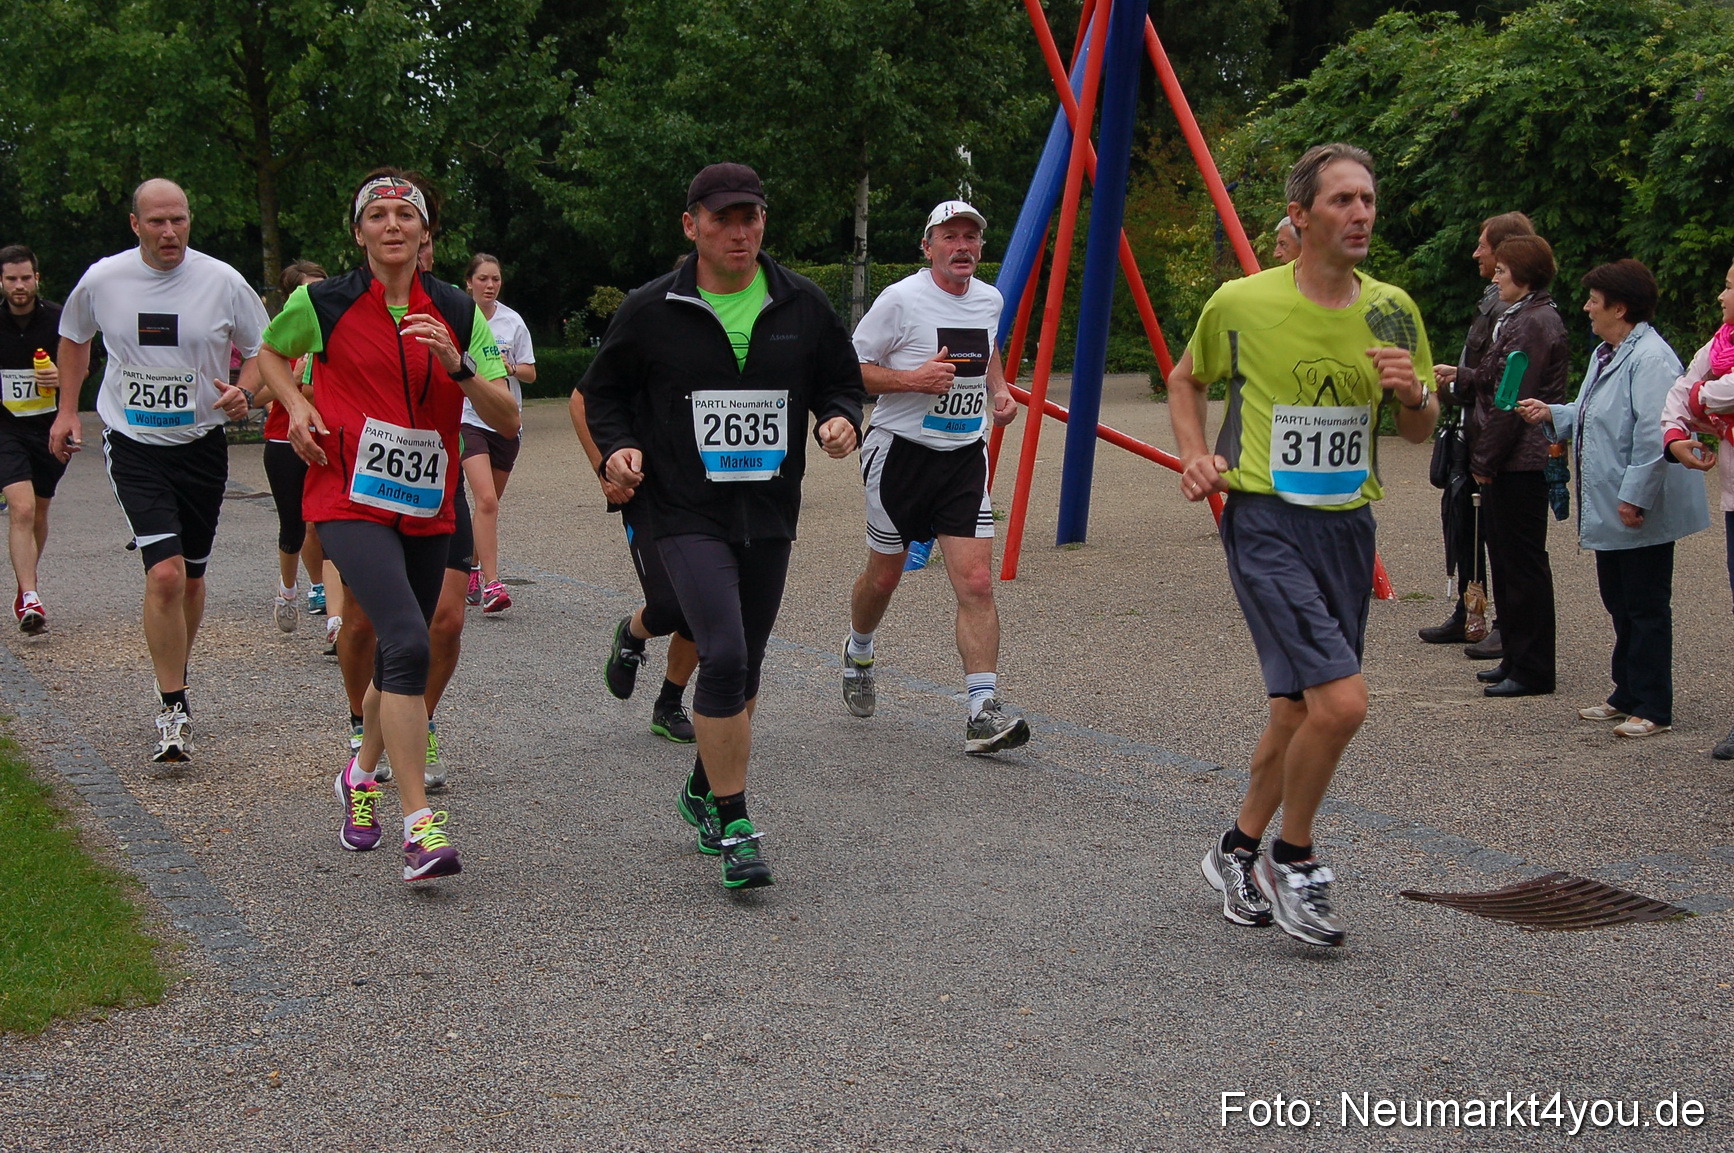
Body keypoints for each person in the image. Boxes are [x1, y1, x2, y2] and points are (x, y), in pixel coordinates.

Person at [1167, 143, 1436, 948]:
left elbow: (1421, 429)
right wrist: (1193, 453)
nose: (1361, 213)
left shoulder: (1392, 309)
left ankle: (1236, 849)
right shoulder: (1242, 302)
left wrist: (1414, 393)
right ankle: (1297, 856)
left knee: (1297, 708)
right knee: (1342, 702)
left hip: (1349, 527)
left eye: (1368, 199)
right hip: (1265, 519)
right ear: (1301, 216)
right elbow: (1187, 378)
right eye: (1343, 200)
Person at [581, 162, 865, 890]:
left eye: (752, 217)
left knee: (749, 666)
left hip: (768, 510)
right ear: (693, 225)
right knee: (726, 652)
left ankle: (702, 787)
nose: (740, 231)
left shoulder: (800, 302)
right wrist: (616, 450)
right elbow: (601, 394)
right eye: (724, 218)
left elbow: (840, 376)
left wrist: (839, 418)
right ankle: (736, 820)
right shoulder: (652, 309)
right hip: (682, 509)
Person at [259, 168, 515, 883]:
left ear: (426, 232)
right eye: (378, 214)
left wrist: (459, 365)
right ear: (359, 231)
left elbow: (507, 415)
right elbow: (270, 353)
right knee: (403, 636)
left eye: (407, 213)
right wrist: (298, 406)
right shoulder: (322, 302)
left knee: (414, 646)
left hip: (428, 500)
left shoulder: (460, 310)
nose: (393, 224)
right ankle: (419, 829)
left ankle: (359, 772)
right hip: (346, 494)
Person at [51, 179, 269, 762]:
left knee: (192, 578)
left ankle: (174, 666)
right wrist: (67, 409)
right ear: (134, 224)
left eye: (179, 220)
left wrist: (246, 392)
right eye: (157, 223)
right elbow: (74, 337)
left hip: (201, 444)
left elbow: (264, 351)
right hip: (134, 441)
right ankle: (173, 705)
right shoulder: (103, 279)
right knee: (166, 575)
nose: (170, 232)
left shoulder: (223, 281)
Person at [841, 200, 1028, 754]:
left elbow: (987, 345)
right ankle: (858, 651)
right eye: (951, 236)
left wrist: (999, 389)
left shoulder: (990, 298)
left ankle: (982, 710)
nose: (963, 245)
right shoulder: (900, 300)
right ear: (929, 247)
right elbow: (849, 368)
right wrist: (911, 379)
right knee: (884, 577)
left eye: (971, 236)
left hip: (964, 456)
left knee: (975, 582)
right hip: (900, 454)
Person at [1517, 259, 1705, 737]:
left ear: (1619, 307)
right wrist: (1554, 412)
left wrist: (1635, 497)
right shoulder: (1609, 352)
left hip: (1636, 505)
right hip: (1611, 503)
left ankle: (1654, 706)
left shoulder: (1652, 359)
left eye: (1593, 301)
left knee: (1644, 604)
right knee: (1618, 599)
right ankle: (1626, 692)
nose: (1585, 308)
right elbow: (1593, 410)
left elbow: (1651, 433)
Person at [1438, 235, 1568, 698]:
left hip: (1521, 459)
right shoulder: (1518, 317)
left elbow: (1511, 398)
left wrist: (1485, 460)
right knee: (1508, 563)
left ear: (1524, 275)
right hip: (1510, 457)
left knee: (1523, 564)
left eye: (1502, 270)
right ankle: (1515, 656)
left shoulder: (1534, 323)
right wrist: (1464, 375)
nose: (1494, 274)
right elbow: (1494, 378)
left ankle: (1533, 668)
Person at [1425, 211, 1536, 653]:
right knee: (1465, 524)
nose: (1476, 252)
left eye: (1483, 245)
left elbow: (1497, 381)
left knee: (1493, 532)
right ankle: (1472, 611)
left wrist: (1457, 385)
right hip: (1476, 428)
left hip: (1492, 434)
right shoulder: (1495, 299)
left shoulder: (1509, 306)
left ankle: (1501, 624)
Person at [570, 386, 699, 743]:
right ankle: (631, 634)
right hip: (647, 489)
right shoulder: (642, 330)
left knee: (703, 601)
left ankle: (669, 703)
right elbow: (581, 399)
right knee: (671, 606)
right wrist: (603, 469)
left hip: (705, 487)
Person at [1661, 255, 1734, 756]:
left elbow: (1712, 394)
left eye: (1729, 287)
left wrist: (1705, 401)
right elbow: (1681, 392)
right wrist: (1677, 432)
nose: (1721, 297)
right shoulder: (1721, 343)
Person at [260, 260, 342, 643]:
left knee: (326, 522)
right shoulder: (281, 340)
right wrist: (291, 383)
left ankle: (333, 609)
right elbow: (258, 397)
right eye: (305, 290)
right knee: (294, 526)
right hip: (284, 440)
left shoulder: (336, 332)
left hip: (327, 438)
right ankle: (288, 590)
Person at [460, 254, 535, 614]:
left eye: (496, 280)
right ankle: (492, 584)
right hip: (468, 418)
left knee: (489, 507)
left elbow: (531, 373)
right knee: (486, 501)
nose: (490, 286)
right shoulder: (459, 317)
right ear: (469, 282)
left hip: (506, 421)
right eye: (483, 279)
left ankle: (472, 568)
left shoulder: (513, 322)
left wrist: (511, 368)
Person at [0, 245, 69, 634]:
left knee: (39, 509)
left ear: (37, 278)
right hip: (5, 429)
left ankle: (27, 584)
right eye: (11, 279)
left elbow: (87, 360)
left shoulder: (58, 320)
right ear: (2, 282)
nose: (19, 286)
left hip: (49, 429)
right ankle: (30, 595)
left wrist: (60, 376)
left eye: (25, 278)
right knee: (21, 508)